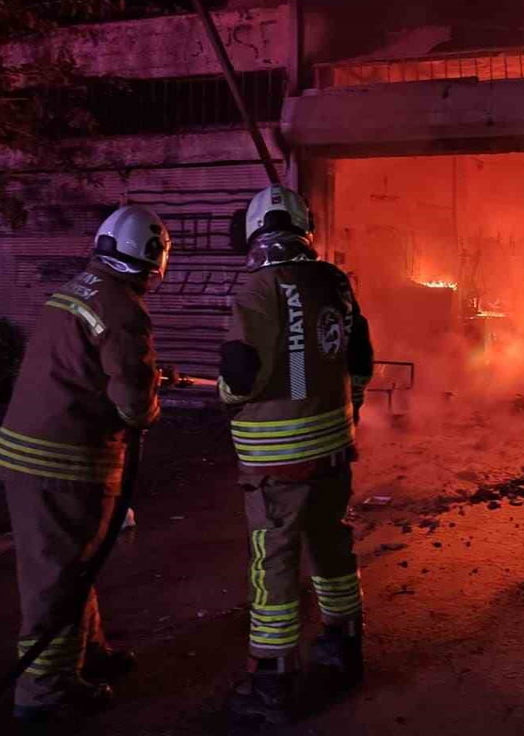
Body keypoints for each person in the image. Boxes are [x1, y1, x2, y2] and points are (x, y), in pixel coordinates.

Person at [0, 204, 170, 724]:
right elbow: (134, 400)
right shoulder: (123, 306)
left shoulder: (76, 289)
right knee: (56, 577)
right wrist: (149, 402)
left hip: (32, 456)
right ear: (153, 260)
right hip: (63, 463)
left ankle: (86, 654)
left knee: (74, 564)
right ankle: (44, 691)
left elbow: (83, 364)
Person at [219, 184, 373, 724]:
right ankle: (344, 643)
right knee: (332, 544)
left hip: (277, 458)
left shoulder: (258, 288)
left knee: (275, 562)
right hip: (334, 446)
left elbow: (240, 377)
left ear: (254, 231)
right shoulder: (334, 281)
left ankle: (272, 683)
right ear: (305, 227)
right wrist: (346, 409)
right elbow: (360, 358)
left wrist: (226, 398)